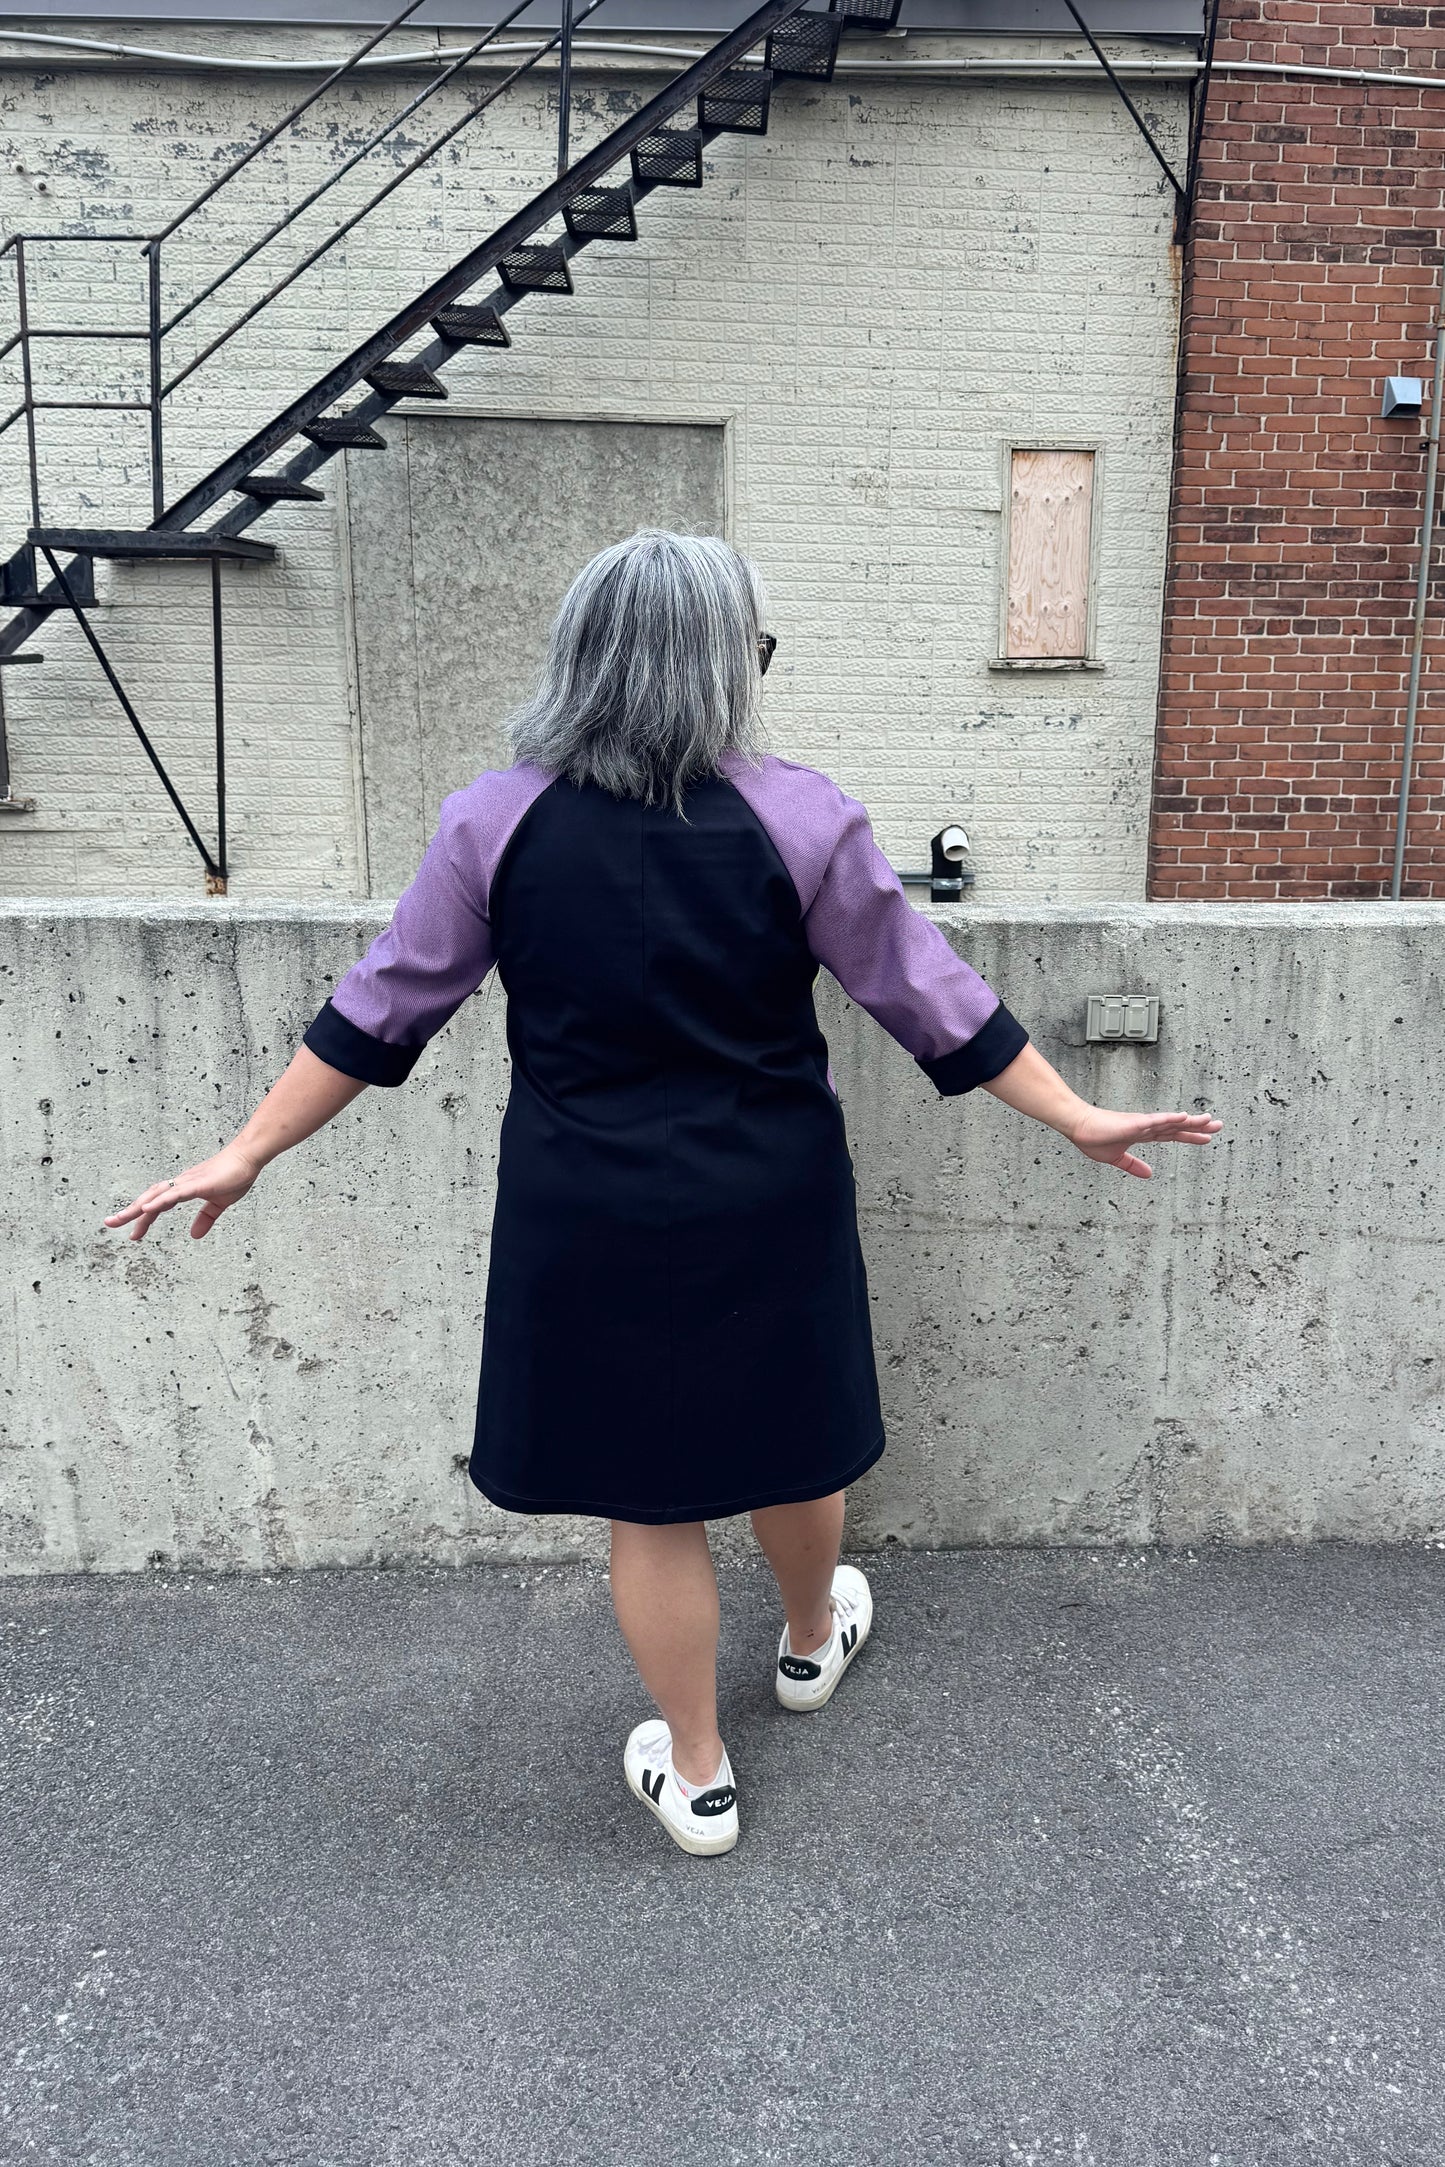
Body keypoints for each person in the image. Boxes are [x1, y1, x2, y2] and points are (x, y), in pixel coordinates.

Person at [105, 531, 1221, 1859]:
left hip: (586, 1206)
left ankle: (695, 1775)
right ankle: (810, 1642)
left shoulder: (492, 819)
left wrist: (247, 1148)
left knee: (653, 1498)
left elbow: (379, 1011)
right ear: (716, 666)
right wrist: (1079, 1113)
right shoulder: (802, 815)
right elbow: (929, 999)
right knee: (790, 1435)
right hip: (769, 1192)